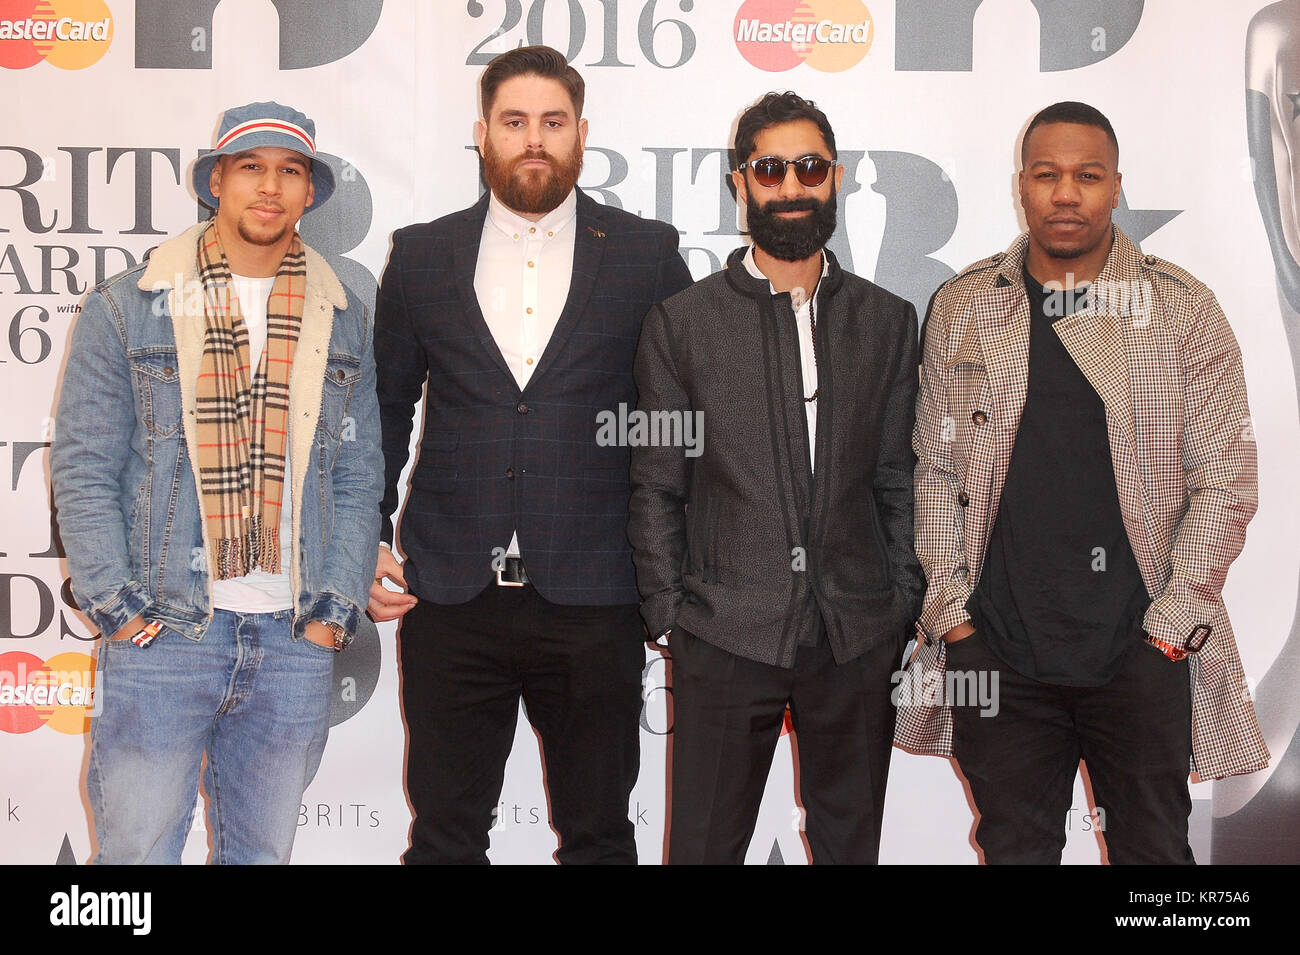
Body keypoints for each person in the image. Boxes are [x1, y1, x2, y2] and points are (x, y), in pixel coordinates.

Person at [895, 101, 1270, 864]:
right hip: (997, 653)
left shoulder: (1180, 308)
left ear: (1116, 187)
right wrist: (955, 619)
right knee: (1013, 850)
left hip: (1140, 653)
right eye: (1048, 174)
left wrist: (1171, 627)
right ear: (1021, 186)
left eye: (1087, 176)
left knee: (1157, 855)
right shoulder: (965, 306)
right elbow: (932, 469)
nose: (1067, 193)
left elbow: (1227, 480)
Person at [370, 45, 693, 865]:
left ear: (583, 133)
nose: (534, 139)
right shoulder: (421, 255)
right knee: (444, 836)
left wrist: (676, 566)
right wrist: (366, 534)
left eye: (553, 122)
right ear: (482, 134)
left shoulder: (647, 254)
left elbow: (680, 419)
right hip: (450, 591)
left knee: (599, 836)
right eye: (515, 122)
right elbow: (384, 406)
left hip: (596, 591)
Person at [51, 101, 382, 864]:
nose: (270, 187)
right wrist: (119, 609)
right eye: (251, 168)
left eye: (289, 171)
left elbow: (358, 476)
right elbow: (83, 466)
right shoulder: (127, 305)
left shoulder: (343, 317)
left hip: (294, 638)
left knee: (261, 858)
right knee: (134, 859)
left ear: (309, 194)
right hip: (165, 633)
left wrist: (330, 615)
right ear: (217, 183)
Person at [628, 91, 924, 864]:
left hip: (856, 634)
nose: (791, 185)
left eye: (809, 167)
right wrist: (672, 615)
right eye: (770, 168)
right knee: (699, 848)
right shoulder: (683, 323)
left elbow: (898, 476)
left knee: (850, 847)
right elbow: (658, 482)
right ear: (740, 182)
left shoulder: (887, 321)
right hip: (724, 631)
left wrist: (897, 602)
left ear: (836, 178)